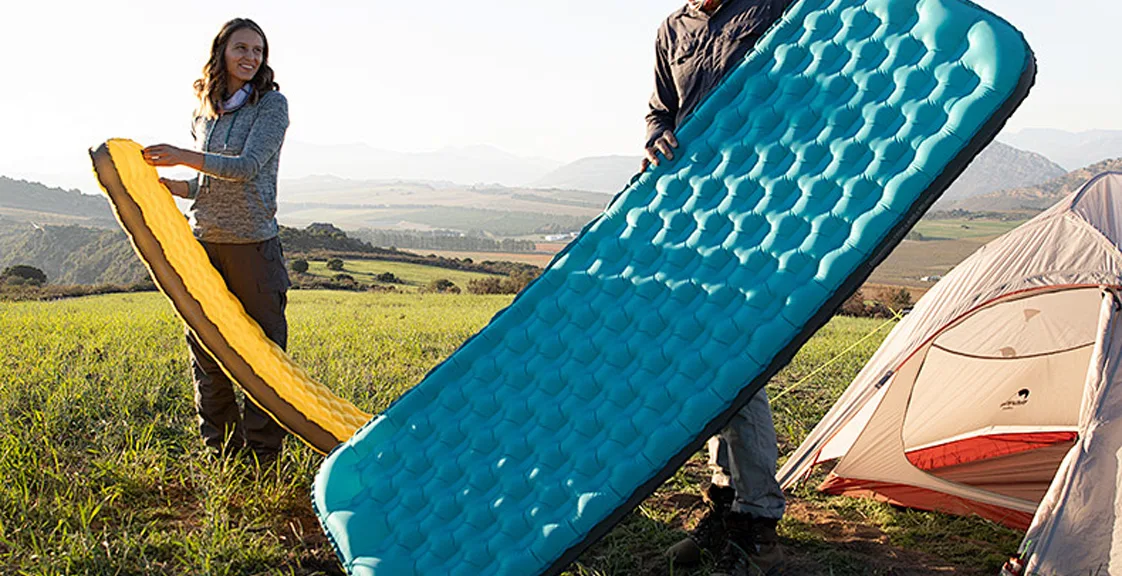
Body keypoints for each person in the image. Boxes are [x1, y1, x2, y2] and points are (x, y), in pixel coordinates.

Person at [644, 1, 791, 575]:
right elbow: (661, 110)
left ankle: (757, 525)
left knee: (738, 364)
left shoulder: (772, 5)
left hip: (762, 206)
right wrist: (657, 137)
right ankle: (727, 508)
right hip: (693, 215)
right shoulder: (671, 28)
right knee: (707, 360)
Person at [142, 18, 291, 466]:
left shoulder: (271, 106)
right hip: (204, 241)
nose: (250, 58)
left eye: (258, 51)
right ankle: (223, 454)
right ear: (221, 52)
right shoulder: (204, 111)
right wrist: (175, 186)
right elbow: (211, 181)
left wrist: (185, 155)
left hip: (253, 245)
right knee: (207, 351)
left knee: (262, 354)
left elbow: (245, 167)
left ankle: (263, 457)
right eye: (241, 48)